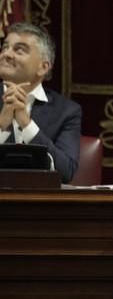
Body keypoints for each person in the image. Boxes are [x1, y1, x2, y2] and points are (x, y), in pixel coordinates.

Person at [0, 22, 81, 183]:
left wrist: (27, 124)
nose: (6, 54)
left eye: (19, 50)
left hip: (41, 205)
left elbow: (66, 172)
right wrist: (2, 125)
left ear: (43, 67)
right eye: (5, 47)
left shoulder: (67, 111)